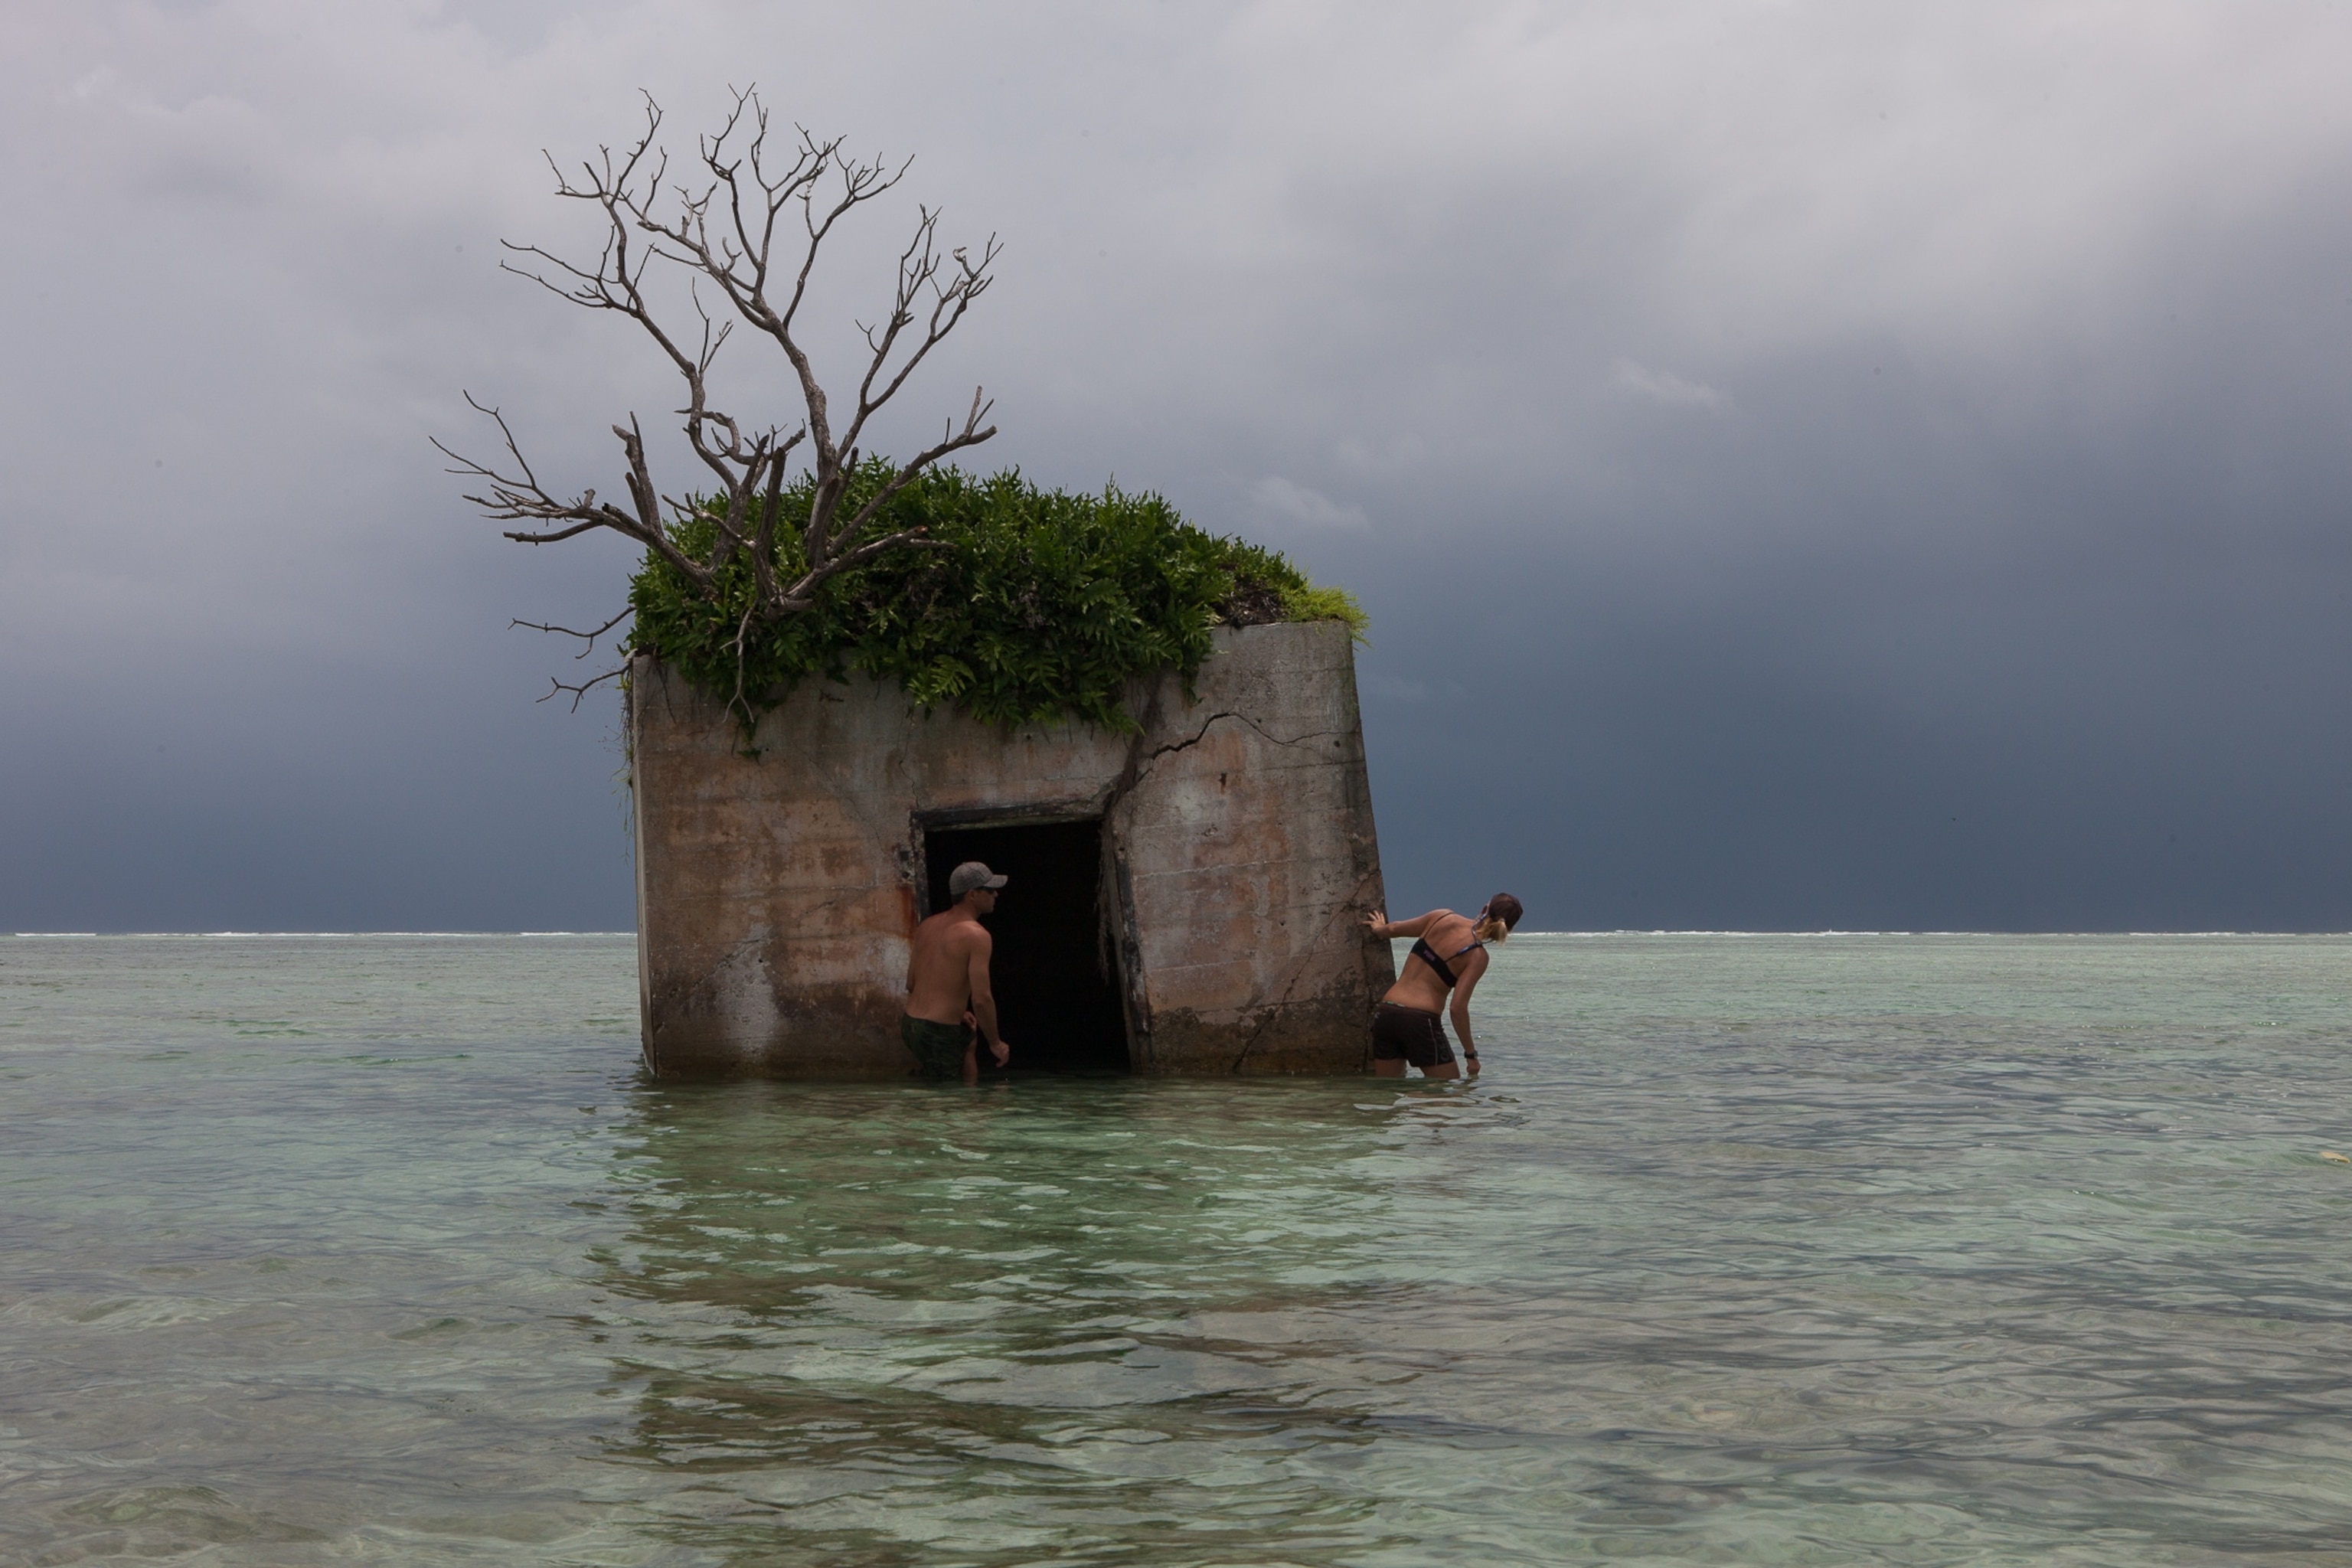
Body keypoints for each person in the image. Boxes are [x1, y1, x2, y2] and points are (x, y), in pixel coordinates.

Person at [1362, 894, 1524, 1078]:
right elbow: (1457, 1008)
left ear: (1485, 909)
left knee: (1387, 1092)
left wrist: (1378, 928)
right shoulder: (1477, 956)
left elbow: (1392, 929)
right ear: (1507, 929)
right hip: (1419, 1021)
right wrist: (1471, 1054)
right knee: (1448, 1097)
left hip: (1386, 1014)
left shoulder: (1442, 917)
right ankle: (1413, 1100)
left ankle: (1407, 1105)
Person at [902, 861, 1014, 1084]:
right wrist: (995, 1043)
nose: (996, 895)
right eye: (990, 890)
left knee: (967, 1040)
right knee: (947, 1101)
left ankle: (968, 1100)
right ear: (972, 894)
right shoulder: (977, 935)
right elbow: (982, 1000)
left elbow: (911, 983)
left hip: (910, 1025)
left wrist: (958, 1011)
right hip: (937, 1032)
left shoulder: (927, 925)